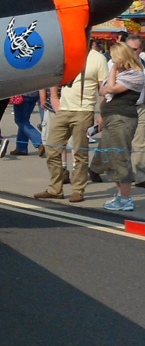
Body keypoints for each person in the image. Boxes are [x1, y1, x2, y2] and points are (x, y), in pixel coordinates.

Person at [35, 38, 109, 203]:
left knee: (80, 152)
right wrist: (53, 97)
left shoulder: (98, 58)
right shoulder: (67, 55)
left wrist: (101, 113)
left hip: (83, 111)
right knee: (52, 148)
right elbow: (56, 76)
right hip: (63, 109)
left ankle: (78, 189)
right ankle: (55, 188)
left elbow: (102, 89)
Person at [92, 42, 141, 212]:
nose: (112, 61)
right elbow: (101, 91)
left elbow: (110, 88)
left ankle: (126, 198)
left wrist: (112, 70)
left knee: (120, 157)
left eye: (114, 58)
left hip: (122, 119)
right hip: (109, 118)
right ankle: (121, 195)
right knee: (110, 157)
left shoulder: (136, 74)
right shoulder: (120, 73)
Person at [125, 33, 145, 189]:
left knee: (139, 143)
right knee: (118, 142)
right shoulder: (115, 64)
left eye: (135, 49)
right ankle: (97, 167)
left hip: (140, 107)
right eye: (129, 49)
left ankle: (140, 176)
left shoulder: (143, 64)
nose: (132, 52)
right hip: (122, 108)